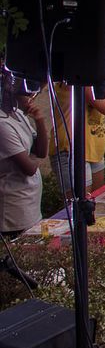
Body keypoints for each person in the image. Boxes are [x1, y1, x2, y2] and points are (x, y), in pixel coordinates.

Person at [0, 79, 48, 237]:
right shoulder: (2, 125)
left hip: (31, 205)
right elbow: (29, 168)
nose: (30, 95)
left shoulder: (18, 114)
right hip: (14, 210)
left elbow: (41, 151)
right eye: (26, 92)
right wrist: (32, 159)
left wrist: (39, 120)